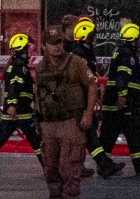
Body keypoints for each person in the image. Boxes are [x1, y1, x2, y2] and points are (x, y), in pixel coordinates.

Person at [34, 33, 101, 199]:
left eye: (59, 43)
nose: (57, 47)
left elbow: (92, 86)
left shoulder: (76, 62)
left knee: (69, 168)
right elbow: (38, 93)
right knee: (50, 168)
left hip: (71, 121)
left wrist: (88, 114)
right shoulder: (41, 66)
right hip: (49, 122)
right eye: (52, 43)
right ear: (44, 46)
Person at [92, 22, 140, 177]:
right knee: (135, 134)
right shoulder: (127, 55)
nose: (139, 42)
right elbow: (122, 76)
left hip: (114, 103)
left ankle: (104, 165)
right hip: (126, 104)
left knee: (108, 134)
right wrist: (123, 95)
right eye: (138, 39)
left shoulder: (120, 51)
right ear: (134, 39)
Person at [0, 33, 41, 176]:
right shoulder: (19, 66)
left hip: (14, 110)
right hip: (21, 110)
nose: (32, 51)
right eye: (29, 48)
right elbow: (13, 86)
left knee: (0, 136)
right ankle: (49, 168)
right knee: (36, 140)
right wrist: (13, 104)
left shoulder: (16, 65)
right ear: (23, 49)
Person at [68, 17, 101, 177]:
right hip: (80, 99)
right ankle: (102, 163)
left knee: (87, 131)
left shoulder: (86, 51)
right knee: (87, 131)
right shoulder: (79, 53)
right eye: (93, 34)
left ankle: (81, 166)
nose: (95, 37)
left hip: (85, 97)